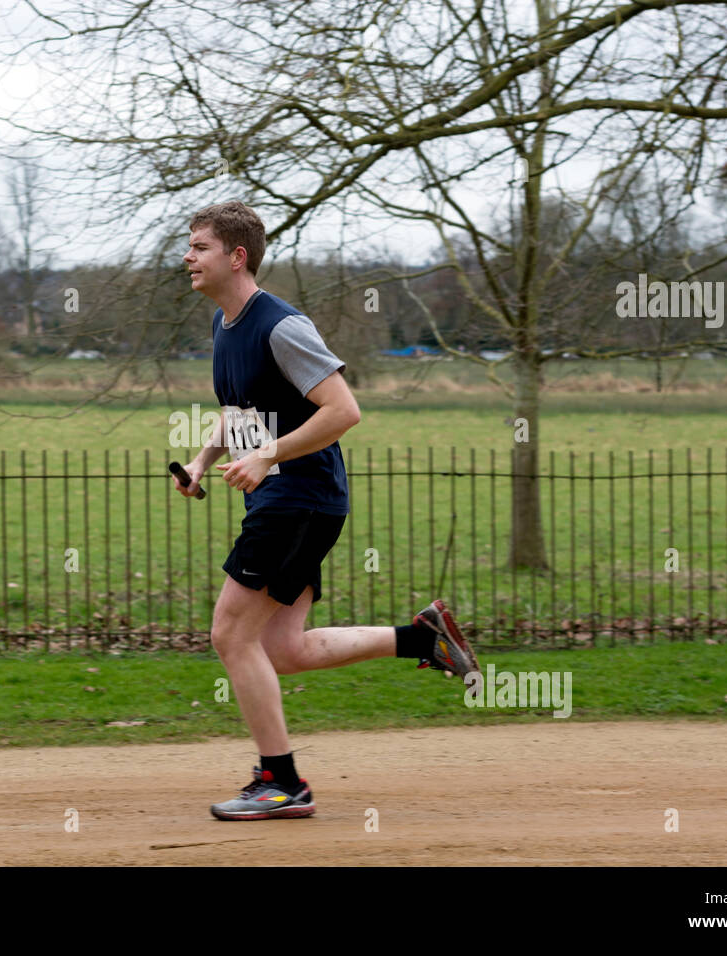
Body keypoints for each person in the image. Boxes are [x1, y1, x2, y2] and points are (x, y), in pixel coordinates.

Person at [176, 201, 479, 821]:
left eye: (200, 246)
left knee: (231, 634)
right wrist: (205, 460)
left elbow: (344, 410)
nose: (187, 256)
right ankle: (420, 638)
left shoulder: (282, 326)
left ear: (237, 257)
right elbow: (243, 412)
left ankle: (281, 782)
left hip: (299, 498)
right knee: (281, 649)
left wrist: (268, 456)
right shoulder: (224, 326)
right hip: (289, 498)